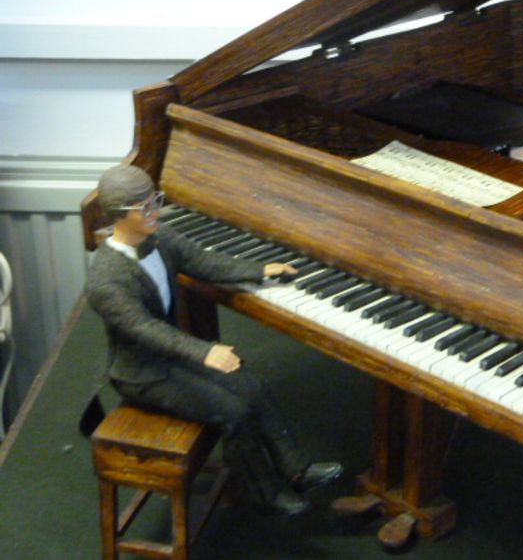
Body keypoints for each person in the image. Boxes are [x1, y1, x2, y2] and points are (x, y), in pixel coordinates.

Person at [85, 164, 341, 515]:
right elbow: (145, 329)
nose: (155, 211)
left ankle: (297, 470)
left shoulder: (159, 239)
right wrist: (205, 352)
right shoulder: (105, 280)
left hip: (173, 358)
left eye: (155, 201)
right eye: (144, 208)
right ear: (118, 214)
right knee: (233, 412)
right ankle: (261, 492)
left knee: (253, 386)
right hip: (142, 374)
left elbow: (202, 261)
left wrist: (258, 270)